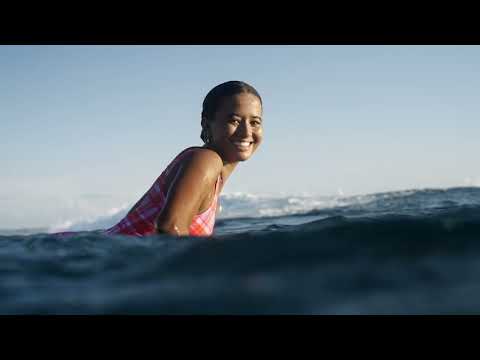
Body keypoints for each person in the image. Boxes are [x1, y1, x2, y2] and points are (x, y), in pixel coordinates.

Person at [103, 80, 264, 237]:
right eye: (234, 120)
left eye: (255, 122)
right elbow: (169, 228)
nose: (246, 132)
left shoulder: (210, 173)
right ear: (207, 125)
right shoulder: (206, 161)